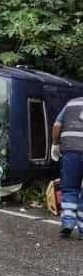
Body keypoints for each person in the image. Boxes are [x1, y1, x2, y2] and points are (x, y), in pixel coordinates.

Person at [51, 96, 83, 239]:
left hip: (70, 151)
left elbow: (57, 125)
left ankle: (68, 224)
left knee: (70, 188)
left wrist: (55, 144)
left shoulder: (71, 103)